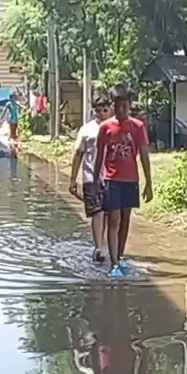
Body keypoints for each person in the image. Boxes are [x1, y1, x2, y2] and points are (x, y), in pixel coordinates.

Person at [92, 86, 154, 279]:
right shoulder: (106, 127)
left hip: (131, 179)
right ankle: (115, 264)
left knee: (126, 221)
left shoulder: (137, 127)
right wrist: (95, 181)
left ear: (129, 106)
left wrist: (149, 183)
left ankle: (119, 255)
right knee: (114, 221)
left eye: (124, 107)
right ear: (113, 106)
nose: (121, 111)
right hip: (112, 178)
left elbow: (144, 155)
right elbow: (99, 155)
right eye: (117, 107)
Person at [69, 95, 113, 264]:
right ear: (93, 111)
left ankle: (108, 246)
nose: (101, 114)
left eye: (105, 110)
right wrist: (73, 179)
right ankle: (99, 247)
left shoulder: (116, 128)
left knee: (110, 213)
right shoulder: (87, 130)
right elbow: (78, 154)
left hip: (112, 176)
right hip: (90, 177)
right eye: (98, 110)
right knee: (97, 211)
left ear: (110, 109)